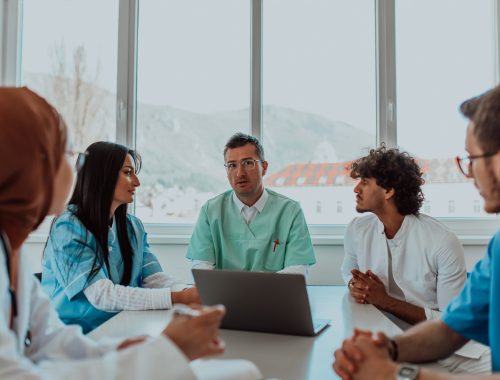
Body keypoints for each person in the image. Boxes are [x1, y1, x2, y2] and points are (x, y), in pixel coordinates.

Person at [0, 87, 263, 379]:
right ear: (28, 165)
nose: (74, 166)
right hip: (95, 330)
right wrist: (165, 347)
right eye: (65, 153)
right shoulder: (67, 227)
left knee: (245, 371)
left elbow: (53, 343)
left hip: (110, 331)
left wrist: (128, 348)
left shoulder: (14, 253)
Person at [333, 85, 500, 379]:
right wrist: (386, 349)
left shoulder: (440, 240)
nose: (469, 173)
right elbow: (450, 328)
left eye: (472, 159)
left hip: (467, 361)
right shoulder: (497, 247)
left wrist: (398, 373)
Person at [41, 141, 200, 333]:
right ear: (102, 176)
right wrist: (180, 298)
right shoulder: (68, 227)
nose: (137, 182)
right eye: (127, 172)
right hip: (74, 336)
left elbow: (154, 279)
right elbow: (101, 295)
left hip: (120, 325)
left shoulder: (132, 226)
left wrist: (189, 291)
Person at [186, 132, 316, 275]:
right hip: (225, 296)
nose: (239, 173)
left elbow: (297, 269)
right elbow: (201, 266)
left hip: (275, 296)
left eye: (248, 163)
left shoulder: (290, 211)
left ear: (264, 167)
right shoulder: (211, 211)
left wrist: (259, 290)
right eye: (232, 165)